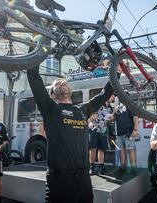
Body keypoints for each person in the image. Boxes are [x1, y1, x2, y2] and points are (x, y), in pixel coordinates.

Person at [27, 65, 116, 203]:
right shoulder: (50, 108)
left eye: (64, 82)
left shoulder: (82, 109)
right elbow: (33, 77)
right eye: (57, 84)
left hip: (84, 178)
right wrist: (36, 50)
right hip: (60, 179)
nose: (62, 83)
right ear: (52, 95)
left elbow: (104, 94)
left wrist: (116, 72)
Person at [113, 91, 139, 173]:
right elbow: (113, 119)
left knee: (130, 150)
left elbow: (135, 118)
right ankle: (123, 166)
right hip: (119, 132)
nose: (119, 97)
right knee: (121, 150)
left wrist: (135, 130)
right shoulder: (118, 107)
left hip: (129, 132)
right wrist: (113, 112)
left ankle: (133, 168)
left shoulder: (131, 105)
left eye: (121, 95)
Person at [89, 95, 114, 175]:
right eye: (112, 96)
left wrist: (111, 118)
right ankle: (91, 168)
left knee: (101, 149)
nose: (113, 98)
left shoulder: (110, 108)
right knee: (93, 149)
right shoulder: (97, 103)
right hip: (94, 129)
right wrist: (91, 117)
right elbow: (89, 112)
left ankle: (101, 168)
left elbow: (109, 120)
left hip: (103, 130)